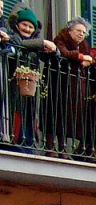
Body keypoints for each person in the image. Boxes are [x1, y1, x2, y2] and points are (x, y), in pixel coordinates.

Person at [3, 7, 57, 149]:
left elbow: (55, 59)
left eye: (31, 26)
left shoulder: (38, 45)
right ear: (17, 25)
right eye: (24, 25)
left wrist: (54, 50)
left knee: (28, 119)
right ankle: (13, 144)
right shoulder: (12, 36)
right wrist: (41, 43)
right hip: (11, 89)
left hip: (30, 93)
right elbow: (15, 45)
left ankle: (26, 146)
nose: (27, 29)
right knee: (13, 118)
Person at [51, 17, 94, 156]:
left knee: (71, 119)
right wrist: (81, 57)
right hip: (60, 84)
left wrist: (91, 61)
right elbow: (64, 53)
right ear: (69, 31)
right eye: (79, 31)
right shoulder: (60, 38)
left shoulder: (84, 45)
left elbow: (94, 59)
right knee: (58, 115)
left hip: (77, 88)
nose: (82, 34)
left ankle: (64, 149)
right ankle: (51, 147)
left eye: (84, 32)